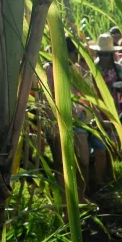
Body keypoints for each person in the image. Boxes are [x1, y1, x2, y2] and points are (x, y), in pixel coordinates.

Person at [44, 36, 91, 204]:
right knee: (60, 164)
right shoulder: (48, 69)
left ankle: (80, 196)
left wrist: (85, 111)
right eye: (73, 52)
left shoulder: (77, 70)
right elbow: (46, 96)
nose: (75, 56)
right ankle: (64, 204)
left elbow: (84, 94)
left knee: (84, 160)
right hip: (56, 121)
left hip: (77, 120)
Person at [89, 33, 122, 186]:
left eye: (107, 54)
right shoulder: (94, 69)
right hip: (98, 110)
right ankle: (100, 181)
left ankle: (110, 176)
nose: (105, 57)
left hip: (115, 110)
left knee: (112, 146)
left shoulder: (118, 68)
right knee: (100, 147)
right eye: (102, 54)